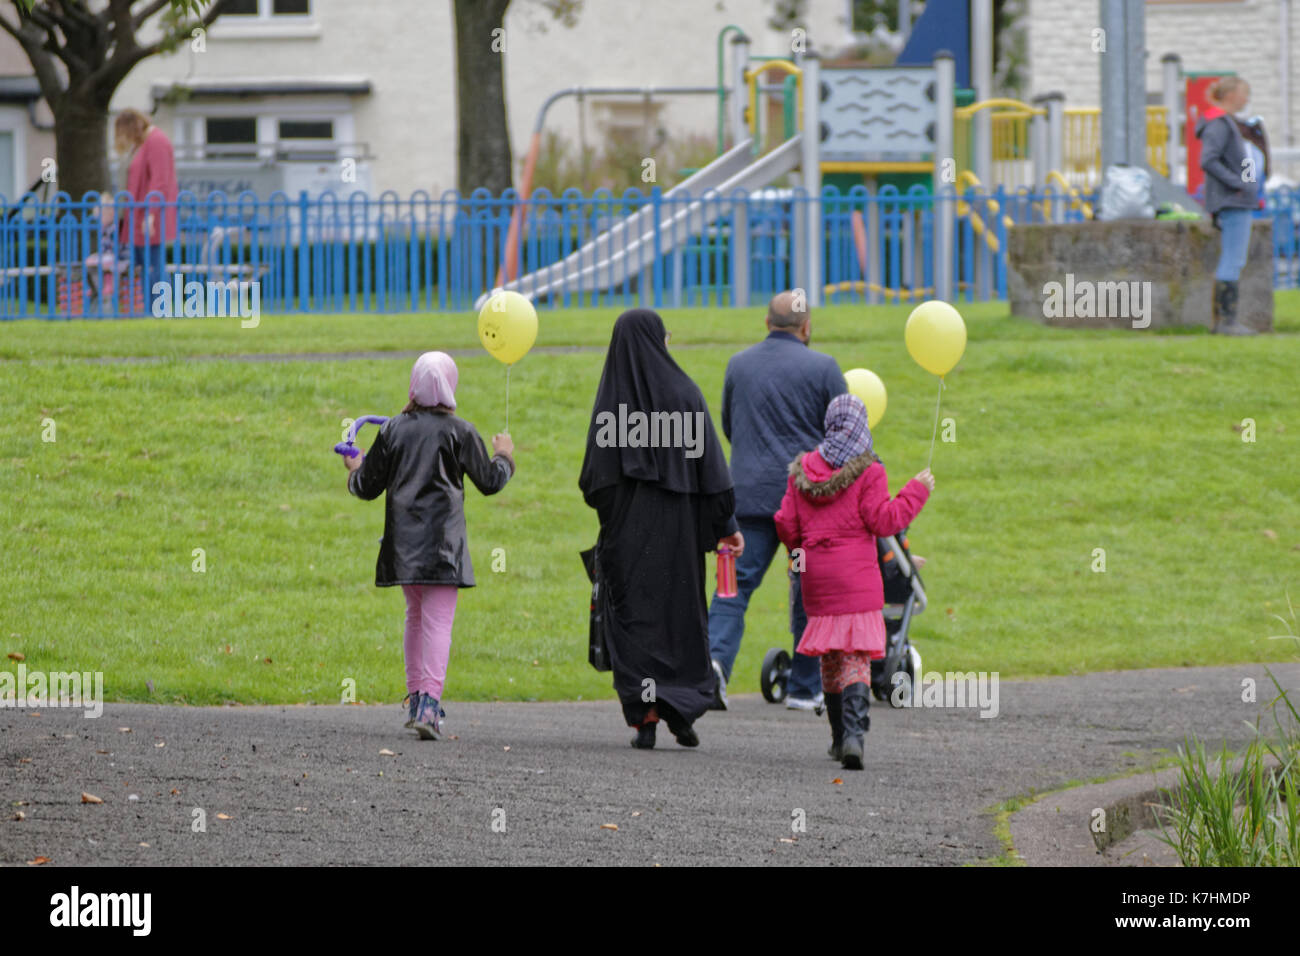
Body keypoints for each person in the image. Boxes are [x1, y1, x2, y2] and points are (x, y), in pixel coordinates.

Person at [579, 309, 743, 750]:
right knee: (680, 622)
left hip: (627, 540)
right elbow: (714, 474)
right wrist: (726, 525)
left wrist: (618, 517)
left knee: (636, 625)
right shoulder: (686, 396)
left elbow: (595, 482)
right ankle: (681, 710)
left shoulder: (612, 406)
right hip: (681, 539)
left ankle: (646, 717)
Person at [344, 351, 515, 739]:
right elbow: (490, 481)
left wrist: (354, 469)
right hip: (443, 550)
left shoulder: (393, 430)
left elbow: (367, 486)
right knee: (439, 623)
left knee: (415, 617)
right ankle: (430, 706)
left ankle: (415, 696)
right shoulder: (461, 431)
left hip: (403, 548)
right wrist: (504, 455)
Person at [774, 394, 933, 770]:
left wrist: (798, 560)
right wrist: (917, 490)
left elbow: (786, 524)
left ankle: (836, 737)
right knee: (856, 658)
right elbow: (884, 521)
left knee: (830, 660)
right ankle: (855, 738)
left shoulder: (802, 472)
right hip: (857, 583)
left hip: (818, 579)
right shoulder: (870, 470)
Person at [708, 291, 847, 712]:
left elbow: (730, 425)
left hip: (746, 500)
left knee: (733, 587)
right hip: (805, 506)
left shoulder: (739, 365)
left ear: (766, 324)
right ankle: (805, 687)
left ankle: (714, 665)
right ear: (807, 329)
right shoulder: (824, 368)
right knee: (805, 586)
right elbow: (841, 434)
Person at [1195, 76, 1269, 336]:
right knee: (1233, 259)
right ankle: (1226, 322)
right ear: (1230, 95)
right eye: (1244, 93)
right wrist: (1238, 184)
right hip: (1232, 200)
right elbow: (1209, 160)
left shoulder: (1229, 124)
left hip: (1238, 197)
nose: (1246, 99)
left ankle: (1224, 322)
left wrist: (1247, 185)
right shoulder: (1219, 123)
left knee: (1234, 259)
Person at [114, 109, 178, 311]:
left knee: (154, 266)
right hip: (140, 215)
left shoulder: (156, 142)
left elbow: (160, 182)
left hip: (148, 217)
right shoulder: (144, 144)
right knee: (146, 266)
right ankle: (152, 309)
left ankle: (161, 309)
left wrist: (150, 215)